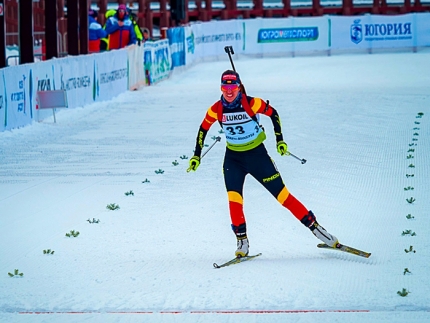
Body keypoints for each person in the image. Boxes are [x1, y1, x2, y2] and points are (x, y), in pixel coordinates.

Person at [188, 70, 339, 258]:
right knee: (234, 201)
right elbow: (203, 129)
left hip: (258, 157)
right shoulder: (216, 109)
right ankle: (242, 241)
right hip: (233, 159)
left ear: (239, 87)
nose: (229, 91)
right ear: (221, 88)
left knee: (284, 197)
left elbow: (273, 114)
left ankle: (317, 230)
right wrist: (196, 156)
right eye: (225, 87)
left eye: (232, 87)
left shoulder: (251, 103)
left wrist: (280, 140)